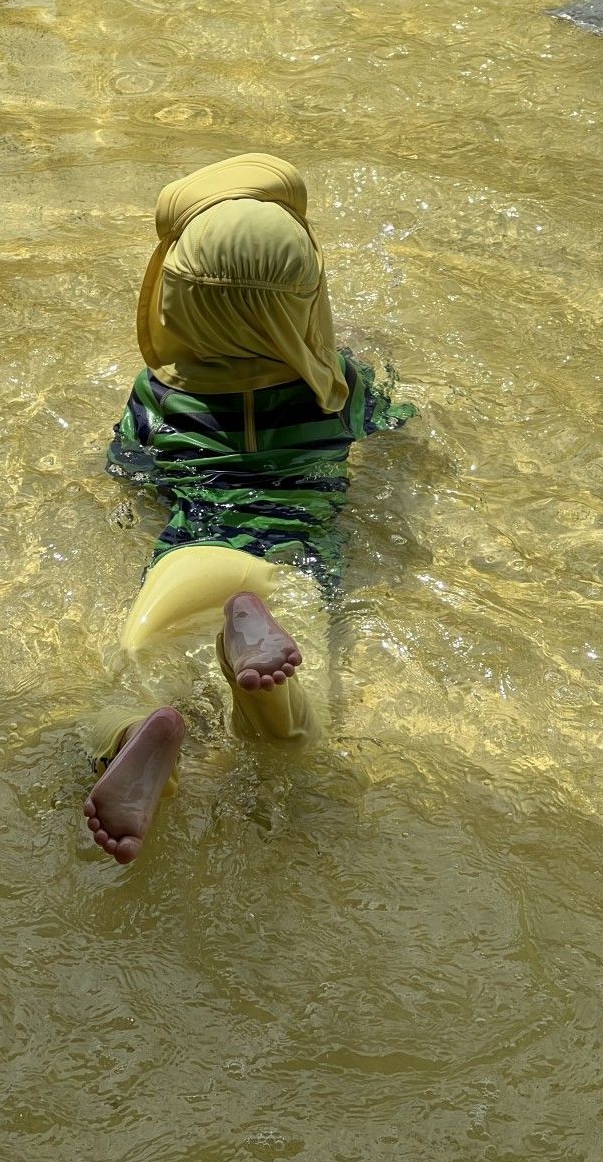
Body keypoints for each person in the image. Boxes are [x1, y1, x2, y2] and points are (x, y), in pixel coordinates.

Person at [83, 153, 414, 864]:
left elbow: (127, 476)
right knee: (294, 735)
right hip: (292, 566)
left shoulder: (158, 394)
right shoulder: (337, 388)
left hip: (187, 559)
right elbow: (395, 423)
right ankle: (248, 673)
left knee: (123, 679)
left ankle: (130, 733)